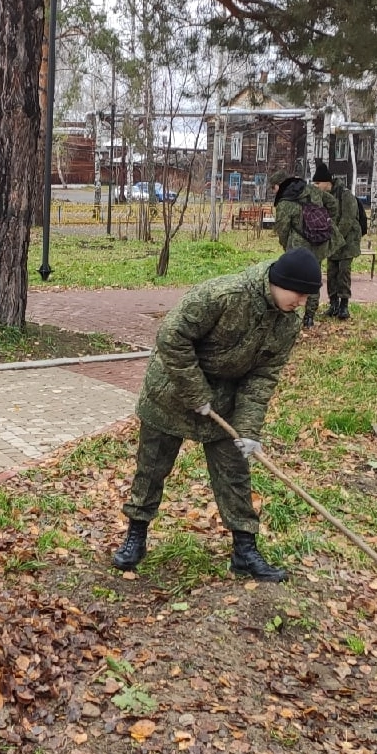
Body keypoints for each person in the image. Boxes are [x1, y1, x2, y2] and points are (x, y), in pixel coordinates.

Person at [109, 248, 321, 584]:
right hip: (172, 391)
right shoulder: (224, 294)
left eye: (307, 296)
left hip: (225, 402)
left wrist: (248, 430)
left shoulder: (288, 321)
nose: (301, 302)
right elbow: (172, 337)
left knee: (234, 474)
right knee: (151, 468)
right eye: (299, 294)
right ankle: (136, 536)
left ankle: (245, 551)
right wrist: (196, 393)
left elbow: (263, 377)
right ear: (278, 283)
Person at [272, 171, 339, 326]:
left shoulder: (284, 203)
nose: (274, 192)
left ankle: (289, 313)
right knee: (314, 277)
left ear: (279, 185)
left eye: (274, 188)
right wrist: (326, 221)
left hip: (298, 245)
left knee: (292, 278)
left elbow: (282, 229)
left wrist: (285, 244)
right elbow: (333, 204)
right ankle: (309, 317)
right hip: (319, 242)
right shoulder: (312, 189)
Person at [318, 162, 364, 320]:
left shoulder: (345, 194)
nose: (316, 186)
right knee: (331, 273)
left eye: (318, 183)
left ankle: (344, 305)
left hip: (347, 241)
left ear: (327, 182)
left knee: (343, 272)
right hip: (332, 240)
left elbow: (348, 219)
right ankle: (333, 304)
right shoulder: (324, 198)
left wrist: (335, 238)